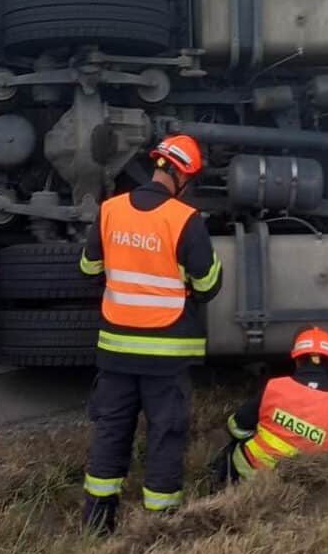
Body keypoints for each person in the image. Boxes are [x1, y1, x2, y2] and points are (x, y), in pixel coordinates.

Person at [78, 134, 223, 533]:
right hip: (166, 353)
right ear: (182, 176)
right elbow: (209, 286)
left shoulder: (110, 211)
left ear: (159, 165)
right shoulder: (184, 221)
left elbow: (89, 270)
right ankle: (159, 526)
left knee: (111, 430)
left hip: (116, 350)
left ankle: (96, 525)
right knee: (165, 433)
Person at [209, 325, 328, 487]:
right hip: (311, 485)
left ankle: (214, 486)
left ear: (297, 360)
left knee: (232, 450)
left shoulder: (274, 387)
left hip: (252, 475)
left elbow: (236, 427)